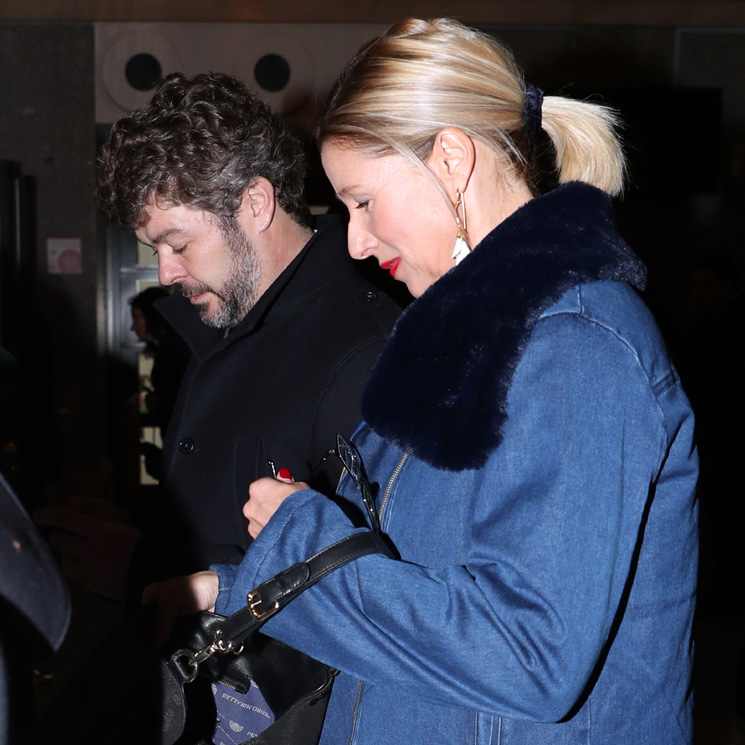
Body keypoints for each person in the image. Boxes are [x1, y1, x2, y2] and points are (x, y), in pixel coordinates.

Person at [149, 19, 698, 745]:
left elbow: (529, 656)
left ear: (448, 158)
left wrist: (301, 537)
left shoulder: (576, 346)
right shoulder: (463, 340)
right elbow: (407, 578)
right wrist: (238, 585)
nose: (353, 240)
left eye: (363, 201)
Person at [35, 72, 402, 605]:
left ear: (255, 202)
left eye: (177, 243)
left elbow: (374, 590)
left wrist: (142, 563)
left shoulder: (365, 350)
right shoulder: (218, 326)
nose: (164, 272)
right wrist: (135, 532)